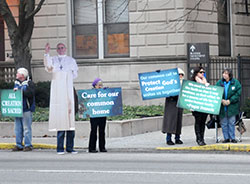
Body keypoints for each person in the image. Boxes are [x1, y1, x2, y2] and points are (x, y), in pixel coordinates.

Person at [44, 43, 78, 154]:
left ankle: (70, 147)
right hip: (58, 91)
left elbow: (75, 74)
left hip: (67, 90)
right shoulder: (53, 59)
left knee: (70, 121)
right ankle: (59, 148)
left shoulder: (71, 60)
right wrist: (46, 53)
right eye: (58, 48)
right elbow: (48, 68)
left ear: (65, 49)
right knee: (60, 121)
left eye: (62, 48)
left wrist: (66, 78)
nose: (60, 49)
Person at [12, 68, 35, 152]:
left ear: (22, 75)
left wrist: (20, 90)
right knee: (17, 128)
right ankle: (18, 144)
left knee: (26, 128)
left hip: (26, 109)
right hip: (17, 109)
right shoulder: (16, 83)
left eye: (17, 73)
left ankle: (28, 145)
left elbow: (30, 94)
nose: (16, 74)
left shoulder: (29, 83)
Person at [216, 68, 242, 143]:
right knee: (224, 123)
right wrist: (221, 100)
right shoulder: (219, 83)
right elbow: (216, 92)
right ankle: (226, 138)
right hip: (222, 107)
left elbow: (238, 93)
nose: (224, 75)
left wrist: (230, 101)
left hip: (232, 106)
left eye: (226, 73)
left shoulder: (236, 83)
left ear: (230, 75)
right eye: (223, 73)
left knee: (231, 122)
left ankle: (232, 137)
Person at [162, 68, 185, 145]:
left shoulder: (183, 84)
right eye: (179, 75)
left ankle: (177, 138)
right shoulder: (170, 83)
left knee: (178, 121)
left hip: (179, 104)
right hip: (171, 104)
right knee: (170, 121)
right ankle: (168, 138)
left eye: (182, 75)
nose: (180, 76)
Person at [191, 66, 209, 146]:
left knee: (203, 122)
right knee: (198, 122)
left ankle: (202, 138)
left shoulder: (205, 82)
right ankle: (198, 138)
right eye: (201, 72)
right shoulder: (193, 82)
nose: (202, 74)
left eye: (203, 72)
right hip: (196, 105)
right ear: (196, 73)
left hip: (204, 105)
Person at [88, 78, 107, 153]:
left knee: (102, 131)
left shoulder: (104, 93)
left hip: (102, 113)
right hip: (94, 115)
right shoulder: (91, 93)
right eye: (99, 85)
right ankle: (92, 147)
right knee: (94, 131)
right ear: (95, 86)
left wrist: (107, 92)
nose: (100, 86)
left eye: (101, 85)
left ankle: (102, 147)